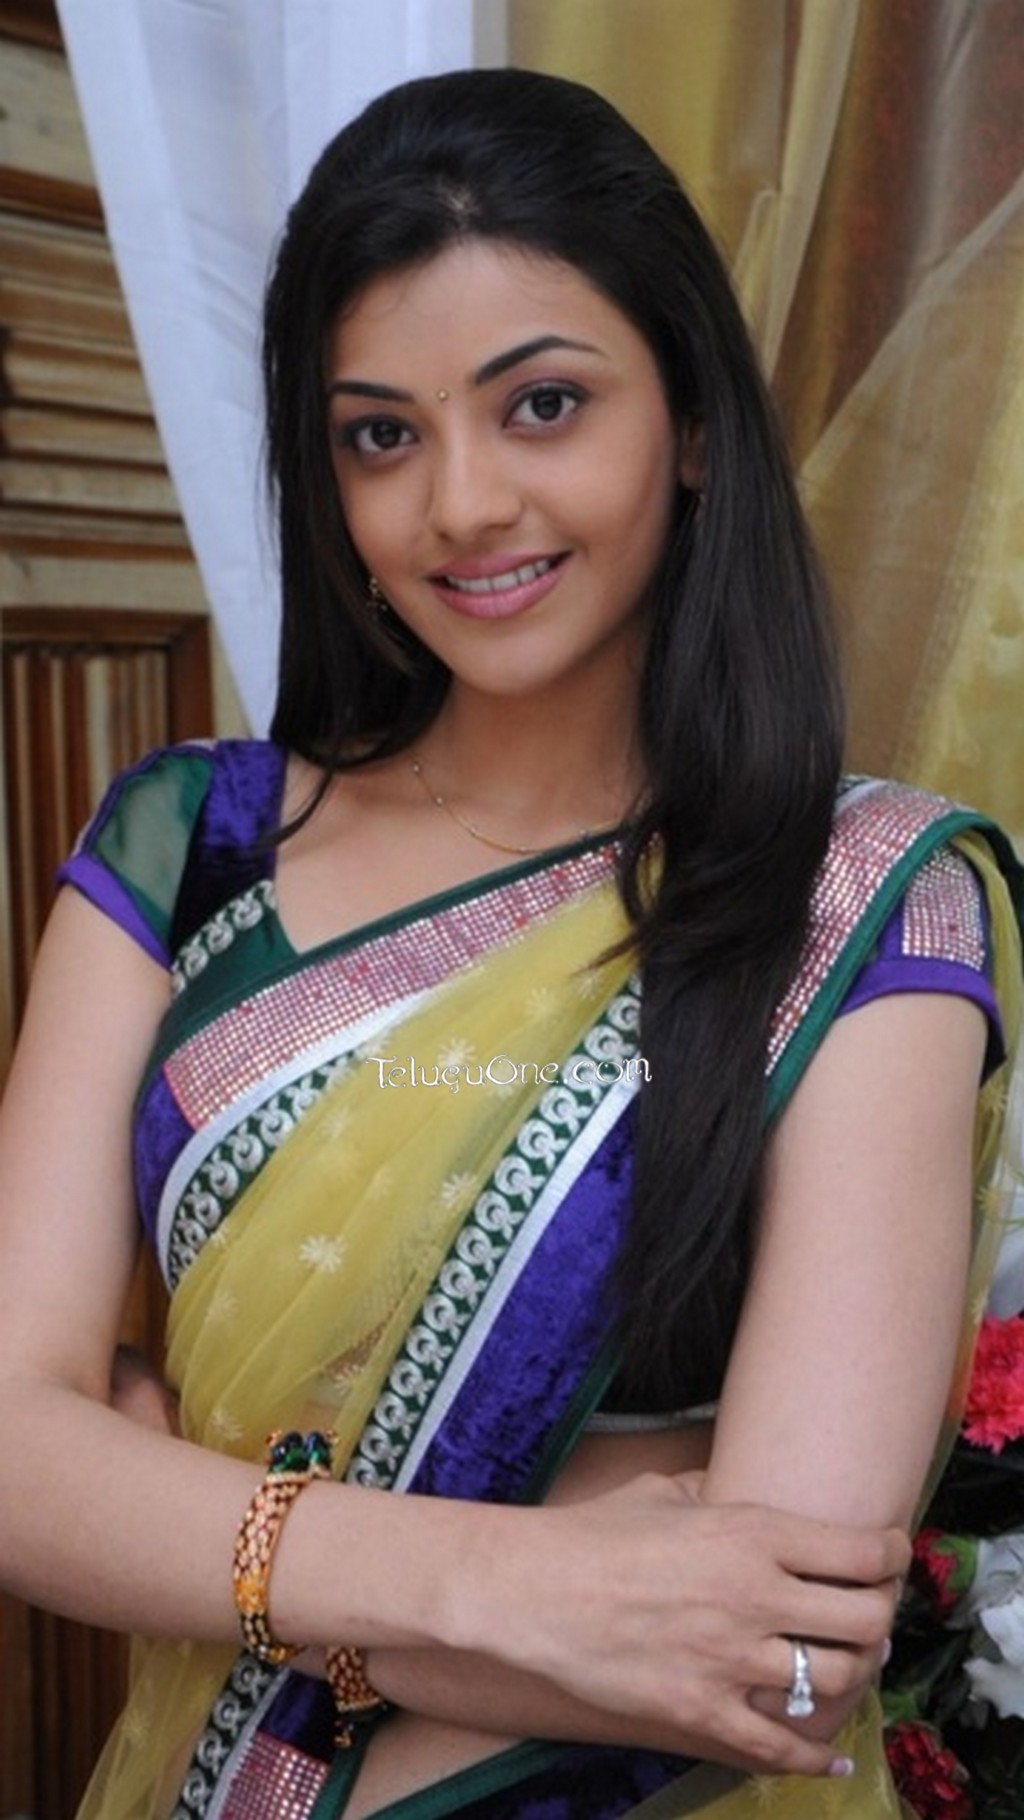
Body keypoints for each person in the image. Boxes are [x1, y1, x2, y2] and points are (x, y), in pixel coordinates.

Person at [0, 66, 1020, 1820]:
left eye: (542, 405)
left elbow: (770, 1661)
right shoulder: (190, 852)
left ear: (691, 424)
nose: (462, 502)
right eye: (380, 435)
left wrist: (191, 1527)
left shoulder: (861, 900)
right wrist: (511, 1581)